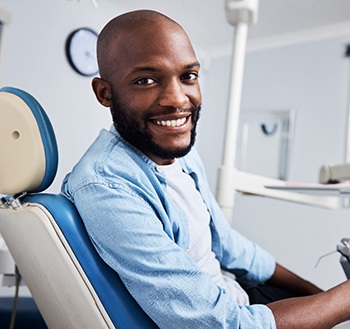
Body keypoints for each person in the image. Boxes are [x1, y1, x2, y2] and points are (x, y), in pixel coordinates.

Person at [61, 9, 350, 328]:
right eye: (146, 80)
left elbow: (227, 244)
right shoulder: (106, 187)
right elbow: (221, 324)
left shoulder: (177, 151)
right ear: (105, 93)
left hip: (240, 296)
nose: (176, 99)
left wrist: (317, 293)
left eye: (188, 76)